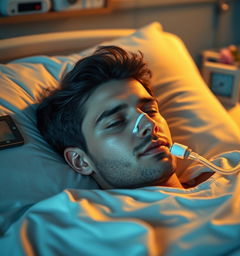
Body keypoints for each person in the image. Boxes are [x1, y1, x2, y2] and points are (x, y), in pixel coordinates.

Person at [36, 46, 202, 189]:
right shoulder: (82, 219)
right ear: (81, 161)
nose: (149, 124)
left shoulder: (222, 177)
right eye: (117, 122)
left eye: (150, 110)